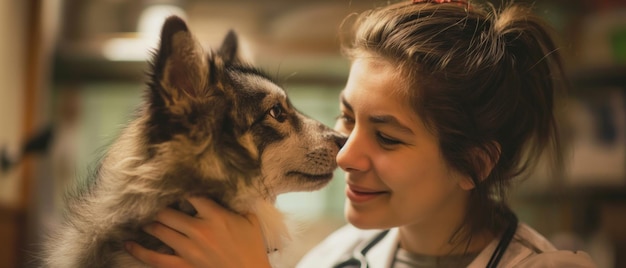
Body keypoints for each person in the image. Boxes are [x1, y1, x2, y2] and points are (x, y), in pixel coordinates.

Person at [125, 0, 598, 267]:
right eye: (347, 117)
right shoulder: (336, 258)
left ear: (473, 163)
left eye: (388, 137)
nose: (344, 154)